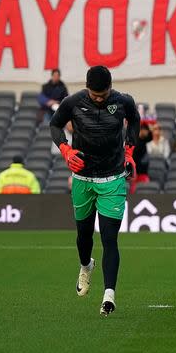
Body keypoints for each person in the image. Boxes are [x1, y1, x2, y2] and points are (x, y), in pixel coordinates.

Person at [50, 65, 140, 316]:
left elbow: (135, 121)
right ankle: (85, 265)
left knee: (110, 239)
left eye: (103, 95)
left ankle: (109, 295)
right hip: (82, 178)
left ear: (110, 88)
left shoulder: (123, 102)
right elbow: (55, 125)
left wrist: (130, 151)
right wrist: (66, 150)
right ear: (87, 88)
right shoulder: (73, 102)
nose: (99, 99)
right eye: (94, 95)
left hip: (112, 178)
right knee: (84, 236)